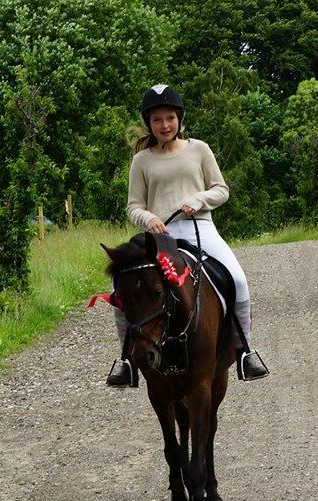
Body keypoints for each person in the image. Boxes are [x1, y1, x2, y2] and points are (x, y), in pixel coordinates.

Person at [107, 84, 269, 385]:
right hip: (158, 237)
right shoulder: (141, 160)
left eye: (170, 118)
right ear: (149, 124)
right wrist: (149, 217)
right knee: (121, 290)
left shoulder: (199, 149)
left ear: (179, 118)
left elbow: (221, 189)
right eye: (157, 120)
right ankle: (126, 360)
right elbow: (133, 206)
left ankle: (245, 350)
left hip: (200, 228)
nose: (165, 125)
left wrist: (198, 201)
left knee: (238, 280)